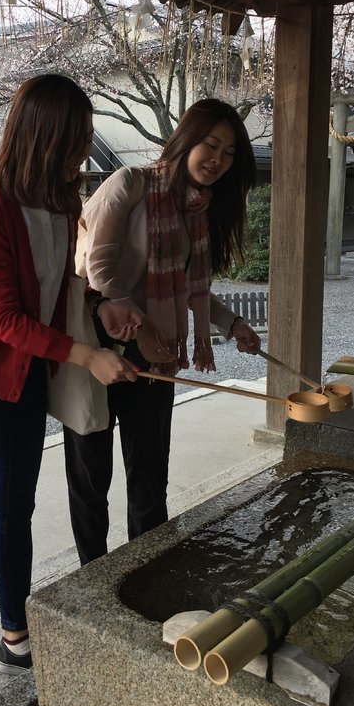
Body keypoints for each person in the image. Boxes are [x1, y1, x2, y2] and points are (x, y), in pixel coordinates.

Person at [0, 74, 137, 706]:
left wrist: (101, 311)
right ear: (45, 136)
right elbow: (0, 318)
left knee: (14, 510)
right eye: (77, 136)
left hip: (22, 379)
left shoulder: (59, 200)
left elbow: (61, 288)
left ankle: (13, 633)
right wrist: (86, 357)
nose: (84, 148)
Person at [65, 97, 261, 566]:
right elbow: (96, 268)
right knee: (91, 479)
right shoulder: (130, 183)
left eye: (229, 153)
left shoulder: (199, 211)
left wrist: (232, 325)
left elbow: (193, 289)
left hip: (156, 359)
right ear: (186, 140)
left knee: (150, 478)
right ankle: (92, 581)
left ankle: (147, 572)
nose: (217, 160)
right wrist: (144, 325)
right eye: (210, 145)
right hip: (99, 352)